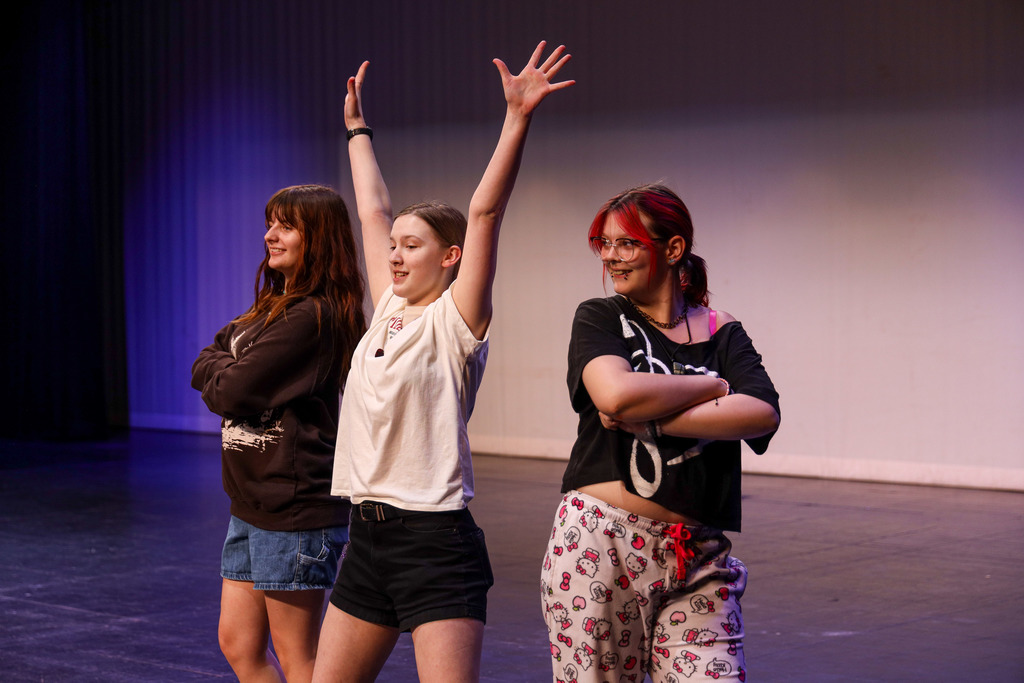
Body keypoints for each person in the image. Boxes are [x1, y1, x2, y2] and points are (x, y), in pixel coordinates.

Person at [311, 42, 574, 683]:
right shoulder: (387, 308)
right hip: (365, 539)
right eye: (392, 247)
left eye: (412, 246)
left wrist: (517, 118)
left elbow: (485, 212)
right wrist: (357, 130)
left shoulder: (455, 322)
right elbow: (371, 209)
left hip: (433, 545)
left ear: (450, 256)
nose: (394, 256)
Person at [541, 184, 781, 682]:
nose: (611, 256)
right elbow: (614, 396)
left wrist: (653, 415)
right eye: (605, 244)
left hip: (698, 556)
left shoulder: (721, 329)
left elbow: (761, 412)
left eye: (627, 243)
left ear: (673, 249)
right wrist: (714, 389)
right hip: (600, 547)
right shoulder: (602, 317)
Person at [191, 185, 366, 682]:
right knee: (239, 645)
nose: (270, 235)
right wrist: (226, 369)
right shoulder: (272, 306)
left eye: (286, 226)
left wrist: (227, 370)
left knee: (298, 657)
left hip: (294, 510)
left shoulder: (313, 316)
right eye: (270, 223)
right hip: (251, 505)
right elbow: (207, 357)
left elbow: (231, 390)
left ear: (319, 238)